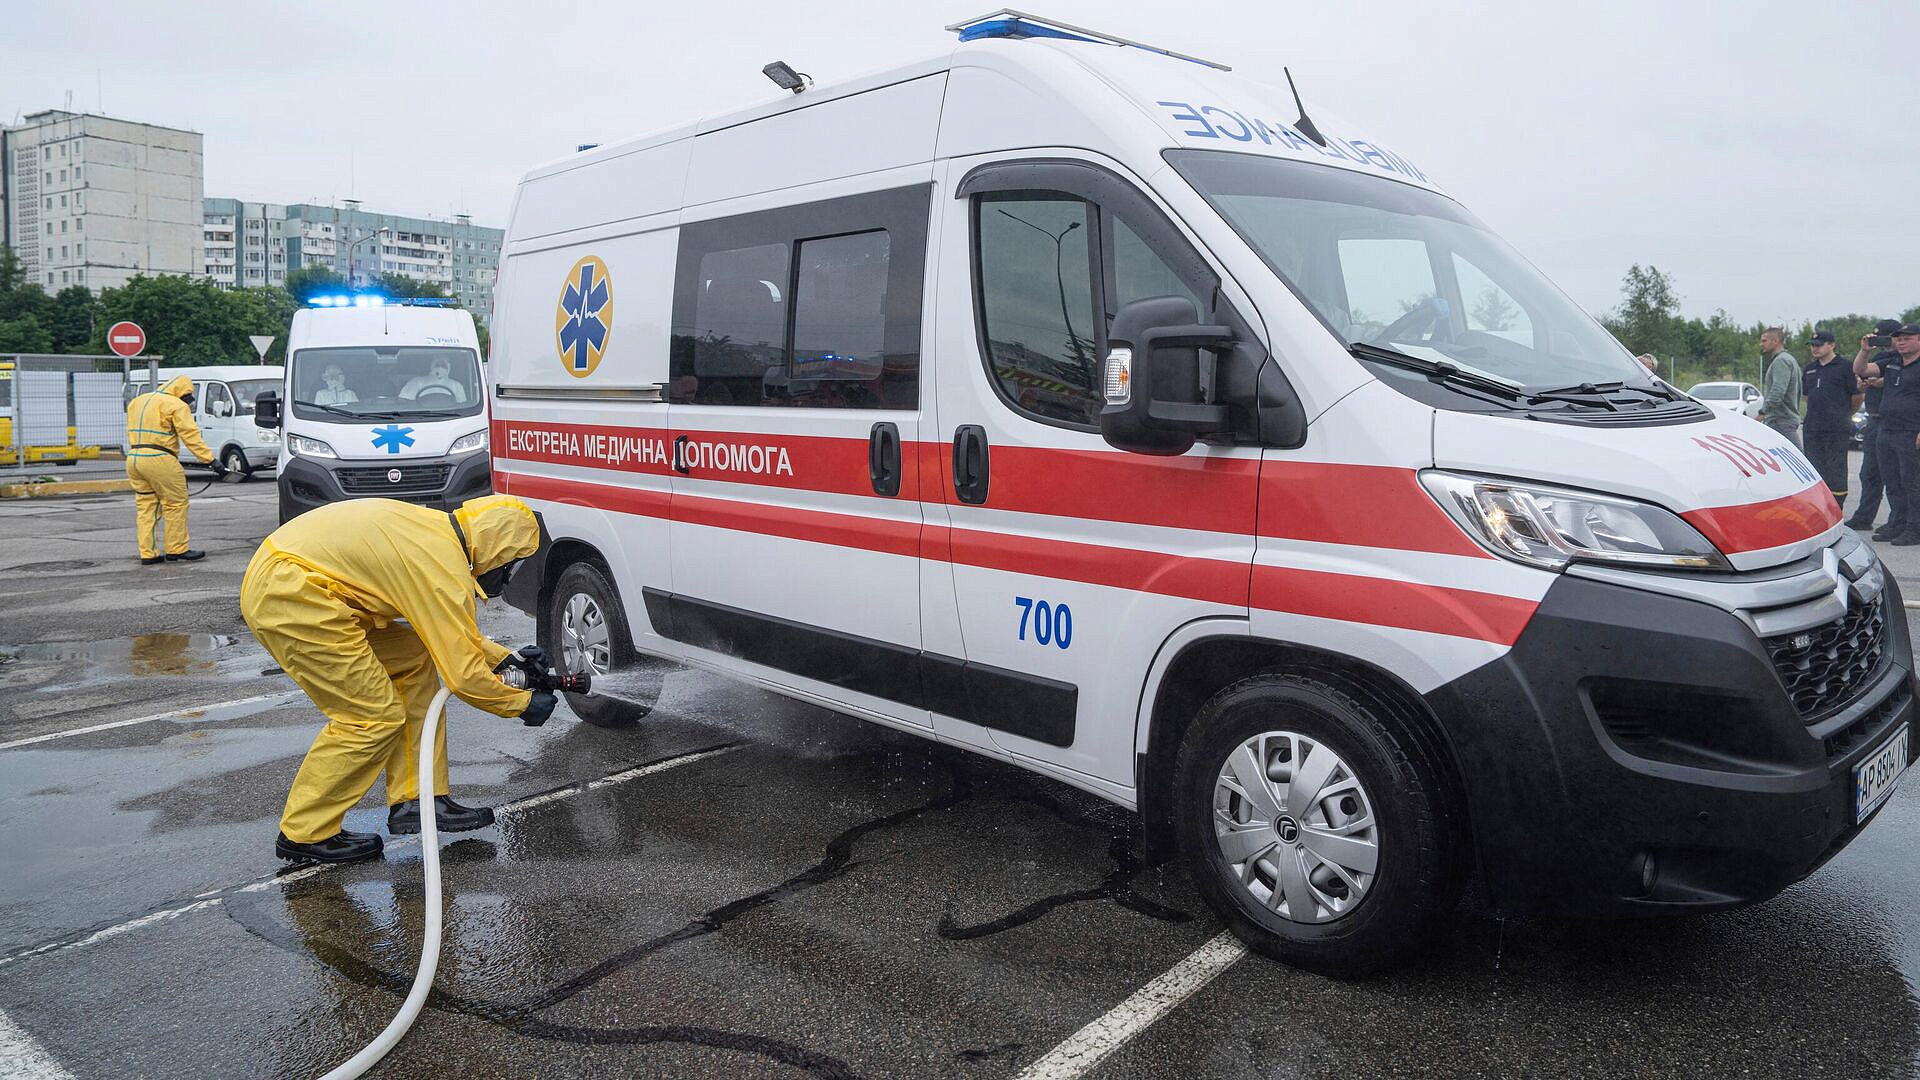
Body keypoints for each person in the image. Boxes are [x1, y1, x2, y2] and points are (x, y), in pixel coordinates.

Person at [243, 494, 554, 863]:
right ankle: (306, 832)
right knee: (371, 715)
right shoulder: (441, 568)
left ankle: (416, 799)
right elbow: (464, 677)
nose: (507, 574)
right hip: (292, 595)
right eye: (512, 565)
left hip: (294, 581)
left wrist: (505, 660)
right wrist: (521, 704)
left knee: (412, 660)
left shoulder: (437, 538)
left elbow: (446, 632)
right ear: (499, 551)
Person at [124, 374, 215, 565]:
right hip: (160, 458)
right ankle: (177, 549)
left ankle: (148, 553)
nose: (187, 401)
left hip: (134, 458)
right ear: (182, 392)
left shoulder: (137, 401)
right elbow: (190, 435)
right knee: (176, 504)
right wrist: (210, 460)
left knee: (146, 507)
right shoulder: (175, 405)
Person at [1849, 319, 1905, 529]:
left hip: (1895, 422)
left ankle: (1898, 520)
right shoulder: (1880, 358)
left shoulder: (1906, 359)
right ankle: (1864, 516)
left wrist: (1883, 381)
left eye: (1885, 338)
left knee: (1895, 475)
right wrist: (1864, 382)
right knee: (1869, 473)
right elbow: (1861, 370)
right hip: (1873, 418)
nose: (1882, 342)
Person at [1800, 330, 1860, 511]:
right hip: (1813, 427)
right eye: (1812, 345)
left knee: (1836, 470)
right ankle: (1817, 507)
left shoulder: (1845, 367)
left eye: (1819, 345)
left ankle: (1835, 508)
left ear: (1832, 345)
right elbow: (1807, 397)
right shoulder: (1810, 368)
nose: (1815, 348)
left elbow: (1857, 396)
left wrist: (1843, 414)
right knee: (1815, 469)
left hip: (1836, 428)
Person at [1871, 324, 1920, 546]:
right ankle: (1897, 523)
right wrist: (1864, 350)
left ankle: (1914, 528)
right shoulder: (1892, 362)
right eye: (1898, 338)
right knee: (1892, 482)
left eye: (1907, 338)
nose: (1901, 341)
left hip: (1910, 431)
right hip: (1887, 429)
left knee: (1912, 482)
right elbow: (1862, 370)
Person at [1755, 327, 1802, 447]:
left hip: (1780, 420)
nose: (1761, 344)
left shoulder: (1781, 361)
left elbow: (1777, 391)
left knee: (1796, 455)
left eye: (1764, 341)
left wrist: (1762, 413)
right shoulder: (1789, 359)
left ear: (1775, 341)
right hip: (1784, 419)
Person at [399, 356, 467, 403]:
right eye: (437, 365)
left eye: (443, 365)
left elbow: (461, 405)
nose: (440, 368)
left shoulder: (456, 385)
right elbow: (405, 401)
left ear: (449, 367)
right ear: (431, 365)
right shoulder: (417, 382)